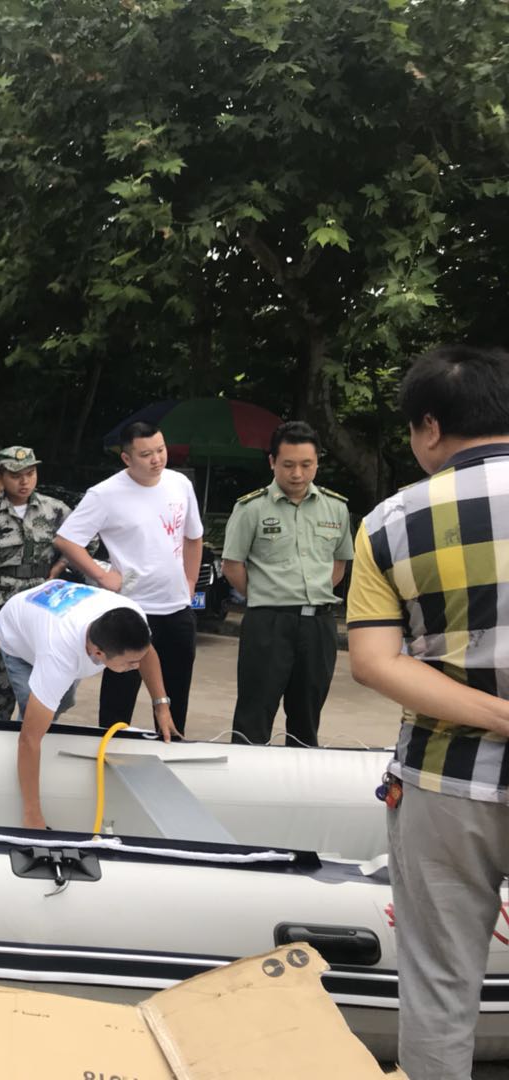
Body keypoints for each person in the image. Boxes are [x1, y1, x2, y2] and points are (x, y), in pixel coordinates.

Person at [346, 345, 509, 1079]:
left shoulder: (389, 522)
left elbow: (375, 662)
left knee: (440, 986)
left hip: (445, 782)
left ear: (430, 427)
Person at [54, 421, 203, 735]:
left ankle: (171, 749)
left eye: (160, 450)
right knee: (119, 699)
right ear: (126, 458)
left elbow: (193, 536)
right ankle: (110, 749)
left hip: (177, 608)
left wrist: (190, 581)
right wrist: (102, 575)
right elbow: (67, 540)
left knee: (175, 695)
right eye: (146, 454)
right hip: (131, 610)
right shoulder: (105, 494)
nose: (156, 459)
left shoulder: (179, 483)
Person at [0, 580, 179, 829]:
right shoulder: (58, 655)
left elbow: (146, 654)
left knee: (61, 701)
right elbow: (29, 739)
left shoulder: (131, 615)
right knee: (33, 713)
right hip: (18, 634)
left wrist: (162, 707)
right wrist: (33, 815)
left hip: (56, 612)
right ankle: (20, 782)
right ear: (99, 654)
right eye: (129, 663)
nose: (136, 667)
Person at [223, 422, 353, 746]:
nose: (297, 474)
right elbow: (232, 566)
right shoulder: (251, 508)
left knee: (307, 716)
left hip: (319, 625)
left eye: (306, 465)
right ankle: (246, 774)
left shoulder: (336, 508)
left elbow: (339, 564)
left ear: (317, 462)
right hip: (268, 622)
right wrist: (266, 596)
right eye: (288, 465)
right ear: (272, 462)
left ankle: (299, 774)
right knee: (255, 713)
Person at [0, 447, 72, 721]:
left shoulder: (55, 510)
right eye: (16, 475)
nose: (24, 481)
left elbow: (84, 540)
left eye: (30, 473)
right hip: (4, 616)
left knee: (45, 693)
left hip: (43, 614)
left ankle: (33, 742)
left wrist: (59, 566)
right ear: (0, 476)